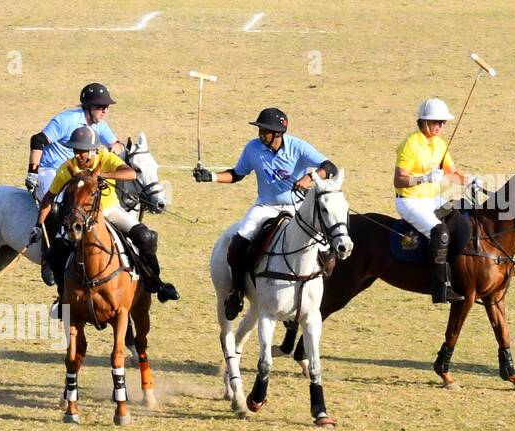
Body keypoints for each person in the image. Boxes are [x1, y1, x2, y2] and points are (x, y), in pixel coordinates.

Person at [193, 107, 338, 319]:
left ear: (278, 133)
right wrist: (211, 177)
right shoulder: (253, 148)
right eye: (260, 130)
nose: (260, 134)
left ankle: (312, 292)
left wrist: (309, 178)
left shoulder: (298, 147)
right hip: (266, 206)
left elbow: (330, 166)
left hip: (296, 207)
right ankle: (237, 291)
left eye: (265, 131)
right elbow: (236, 174)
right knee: (239, 242)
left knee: (325, 248)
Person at [34, 126, 179, 302]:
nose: (78, 154)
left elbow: (131, 173)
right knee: (54, 254)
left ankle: (156, 284)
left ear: (94, 150)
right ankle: (63, 296)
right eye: (75, 150)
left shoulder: (106, 159)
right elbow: (49, 198)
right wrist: (38, 226)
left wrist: (103, 174)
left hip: (110, 211)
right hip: (79, 216)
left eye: (82, 151)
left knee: (146, 237)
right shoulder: (68, 169)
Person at [393, 97, 481, 303]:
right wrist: (422, 178)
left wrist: (469, 181)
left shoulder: (440, 144)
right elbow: (399, 179)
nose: (441, 126)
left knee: (460, 217)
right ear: (424, 122)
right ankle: (440, 288)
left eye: (443, 122)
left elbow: (451, 173)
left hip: (433, 199)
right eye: (436, 122)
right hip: (410, 201)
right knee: (440, 234)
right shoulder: (410, 144)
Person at [26, 83, 127, 200]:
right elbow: (37, 140)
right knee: (57, 203)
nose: (104, 111)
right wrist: (32, 173)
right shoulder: (66, 120)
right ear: (87, 106)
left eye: (106, 107)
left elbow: (117, 144)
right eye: (100, 106)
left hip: (78, 172)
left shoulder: (101, 125)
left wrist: (117, 147)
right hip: (50, 170)